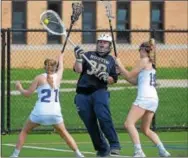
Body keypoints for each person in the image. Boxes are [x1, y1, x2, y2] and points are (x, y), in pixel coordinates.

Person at [10, 54, 84, 158]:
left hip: (39, 113)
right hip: (55, 113)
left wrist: (19, 87)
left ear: (45, 67)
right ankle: (79, 154)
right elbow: (61, 66)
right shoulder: (58, 76)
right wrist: (61, 57)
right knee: (64, 133)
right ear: (55, 67)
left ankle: (14, 155)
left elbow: (27, 94)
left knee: (25, 131)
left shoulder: (39, 78)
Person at [115, 39, 171, 157]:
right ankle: (162, 151)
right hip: (153, 99)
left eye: (139, 50)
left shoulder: (144, 60)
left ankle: (139, 151)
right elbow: (134, 81)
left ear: (143, 50)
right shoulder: (150, 63)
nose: (138, 52)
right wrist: (121, 72)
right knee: (145, 129)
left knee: (128, 124)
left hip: (145, 97)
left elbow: (130, 74)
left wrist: (119, 63)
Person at [73, 33, 121, 157]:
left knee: (103, 116)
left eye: (104, 42)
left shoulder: (111, 60)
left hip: (99, 91)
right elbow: (78, 69)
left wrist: (106, 77)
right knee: (90, 123)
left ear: (109, 45)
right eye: (100, 41)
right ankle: (102, 148)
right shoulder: (88, 55)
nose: (101, 43)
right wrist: (78, 58)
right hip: (82, 94)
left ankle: (114, 144)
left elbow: (113, 79)